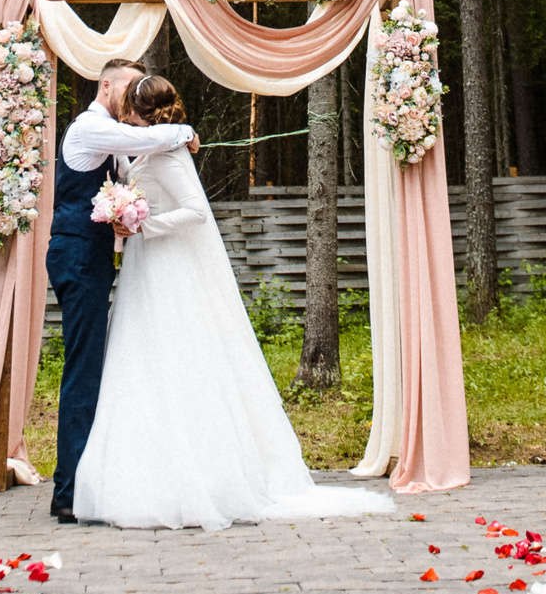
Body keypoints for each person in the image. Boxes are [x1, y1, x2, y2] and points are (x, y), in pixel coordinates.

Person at [72, 75, 391, 529]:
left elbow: (197, 211)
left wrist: (145, 226)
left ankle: (200, 478)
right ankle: (146, 475)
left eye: (127, 108)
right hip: (145, 268)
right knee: (141, 360)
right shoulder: (145, 145)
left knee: (179, 362)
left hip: (169, 265)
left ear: (137, 112)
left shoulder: (170, 152)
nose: (122, 114)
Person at [47, 56, 202, 524]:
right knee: (84, 368)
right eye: (130, 88)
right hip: (76, 255)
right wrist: (185, 131)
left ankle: (85, 481)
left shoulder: (108, 137)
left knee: (93, 365)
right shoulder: (89, 127)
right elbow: (145, 138)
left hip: (92, 256)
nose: (134, 98)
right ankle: (69, 492)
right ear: (108, 84)